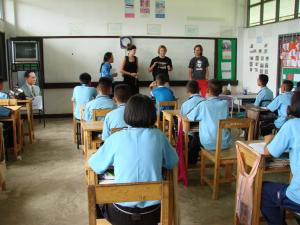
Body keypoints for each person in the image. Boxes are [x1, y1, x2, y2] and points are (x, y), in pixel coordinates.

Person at [88, 94, 178, 225]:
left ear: (127, 114)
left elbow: (96, 166)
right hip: (154, 214)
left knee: (99, 195)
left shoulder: (116, 138)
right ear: (152, 114)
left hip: (120, 215)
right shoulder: (159, 136)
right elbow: (172, 162)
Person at [261, 91, 300, 225]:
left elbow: (268, 152)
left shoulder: (293, 125)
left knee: (262, 190)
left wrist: (268, 140)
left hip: (298, 197)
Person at [188, 79, 231, 150]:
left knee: (195, 136)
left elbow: (190, 117)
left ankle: (190, 160)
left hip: (208, 143)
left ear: (207, 91)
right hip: (224, 142)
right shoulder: (225, 104)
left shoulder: (203, 104)